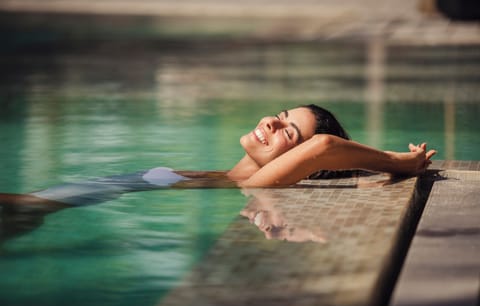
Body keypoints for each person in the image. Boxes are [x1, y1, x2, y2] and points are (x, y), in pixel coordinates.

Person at [0, 104, 436, 239]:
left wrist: (402, 162)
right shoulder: (226, 176)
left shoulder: (257, 184)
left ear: (298, 162)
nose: (270, 122)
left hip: (27, 209)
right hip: (32, 210)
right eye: (280, 114)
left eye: (287, 130)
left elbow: (323, 147)